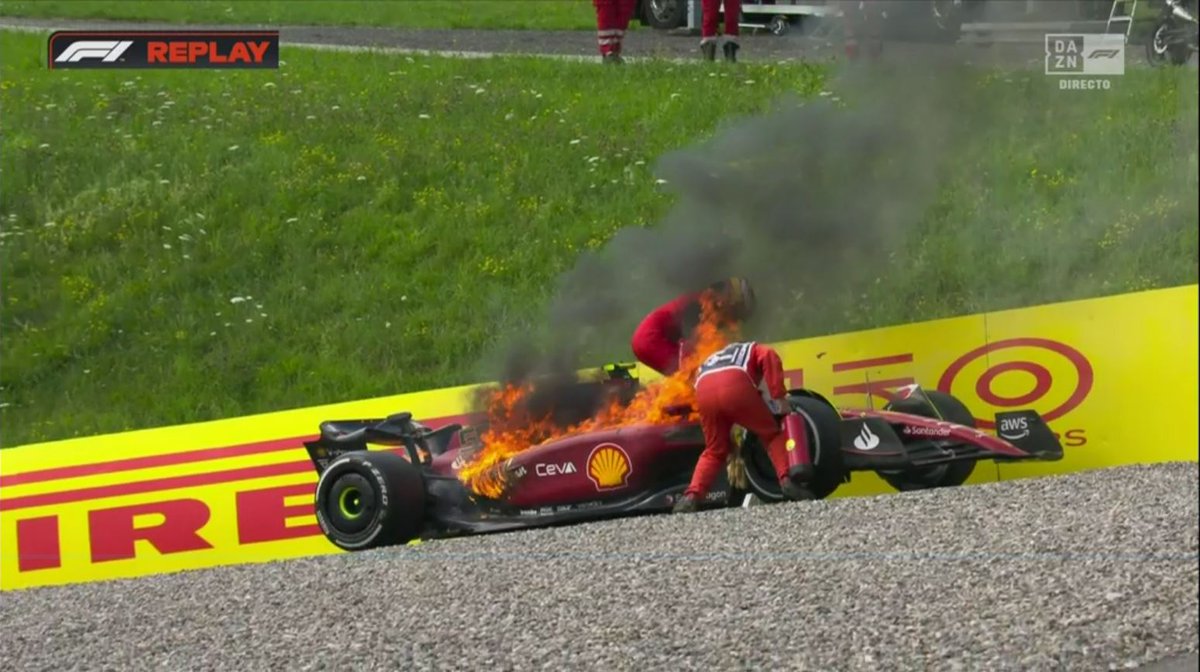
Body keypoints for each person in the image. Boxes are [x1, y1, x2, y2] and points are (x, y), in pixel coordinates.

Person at [673, 340, 811, 513]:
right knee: (771, 435)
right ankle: (787, 480)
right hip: (736, 385)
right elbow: (769, 355)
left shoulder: (713, 358)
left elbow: (714, 393)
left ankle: (691, 497)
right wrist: (779, 396)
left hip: (704, 391)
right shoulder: (753, 348)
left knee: (714, 450)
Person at [630, 277, 756, 378]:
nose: (734, 319)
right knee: (691, 374)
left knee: (692, 375)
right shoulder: (702, 303)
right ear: (727, 297)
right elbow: (692, 337)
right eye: (736, 310)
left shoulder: (706, 302)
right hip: (650, 338)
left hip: (649, 338)